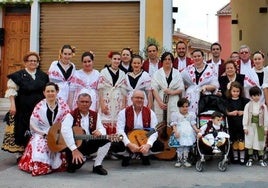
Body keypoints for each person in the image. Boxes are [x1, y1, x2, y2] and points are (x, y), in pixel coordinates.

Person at [18, 82, 69, 176]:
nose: (50, 93)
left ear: (57, 91)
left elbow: (67, 121)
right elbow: (33, 124)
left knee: (59, 143)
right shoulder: (39, 106)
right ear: (44, 93)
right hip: (42, 132)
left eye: (52, 91)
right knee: (40, 143)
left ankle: (55, 164)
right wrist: (44, 134)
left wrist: (59, 132)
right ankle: (42, 165)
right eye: (48, 91)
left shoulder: (63, 105)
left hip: (58, 132)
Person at [4, 51, 49, 160]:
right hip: (22, 107)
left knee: (36, 129)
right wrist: (12, 105)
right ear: (25, 62)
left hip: (38, 108)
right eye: (30, 61)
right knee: (21, 129)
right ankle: (20, 153)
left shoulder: (43, 76)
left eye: (35, 61)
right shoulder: (18, 75)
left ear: (38, 63)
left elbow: (47, 91)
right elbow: (11, 90)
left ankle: (34, 150)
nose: (33, 63)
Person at [61, 90, 111, 175]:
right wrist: (74, 149)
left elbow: (102, 128)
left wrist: (100, 132)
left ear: (91, 103)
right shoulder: (71, 115)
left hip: (88, 143)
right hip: (74, 146)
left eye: (87, 102)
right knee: (73, 168)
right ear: (77, 103)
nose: (84, 104)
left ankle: (97, 165)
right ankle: (81, 159)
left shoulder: (95, 115)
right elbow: (65, 131)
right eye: (82, 102)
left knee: (106, 140)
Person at [111, 90, 164, 166]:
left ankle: (145, 154)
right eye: (137, 98)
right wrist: (129, 144)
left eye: (141, 98)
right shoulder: (123, 112)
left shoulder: (150, 112)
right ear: (132, 99)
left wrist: (148, 145)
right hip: (129, 140)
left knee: (160, 146)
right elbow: (120, 131)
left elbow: (154, 130)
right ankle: (127, 155)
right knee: (115, 146)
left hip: (144, 139)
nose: (139, 100)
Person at [181, 49, 219, 114]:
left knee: (204, 119)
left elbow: (215, 85)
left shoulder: (211, 68)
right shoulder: (188, 69)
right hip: (190, 98)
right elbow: (180, 80)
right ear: (192, 58)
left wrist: (206, 87)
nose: (197, 58)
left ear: (203, 57)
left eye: (199, 56)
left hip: (205, 98)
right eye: (195, 56)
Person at [98, 51, 126, 135]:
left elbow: (124, 91)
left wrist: (123, 105)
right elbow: (100, 90)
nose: (116, 61)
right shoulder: (103, 72)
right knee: (105, 120)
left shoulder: (122, 73)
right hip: (106, 99)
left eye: (118, 59)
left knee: (118, 122)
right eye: (114, 59)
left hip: (118, 101)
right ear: (110, 60)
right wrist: (102, 105)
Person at [151, 52, 184, 123]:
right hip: (160, 100)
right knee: (159, 122)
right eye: (165, 59)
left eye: (169, 59)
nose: (167, 61)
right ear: (162, 61)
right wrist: (160, 102)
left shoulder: (177, 73)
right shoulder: (157, 74)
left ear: (172, 61)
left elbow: (181, 88)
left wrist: (172, 92)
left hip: (173, 99)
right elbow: (154, 89)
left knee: (173, 121)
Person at [169, 98, 199, 168]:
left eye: (186, 106)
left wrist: (196, 129)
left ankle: (185, 160)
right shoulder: (176, 115)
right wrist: (175, 131)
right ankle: (179, 160)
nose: (185, 108)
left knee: (186, 147)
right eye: (183, 107)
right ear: (179, 107)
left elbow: (193, 124)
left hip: (188, 133)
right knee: (180, 147)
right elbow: (174, 124)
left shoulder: (191, 115)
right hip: (180, 133)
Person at [243, 86, 268, 167]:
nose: (256, 97)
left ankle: (261, 159)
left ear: (260, 95)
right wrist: (245, 127)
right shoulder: (248, 105)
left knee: (260, 142)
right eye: (254, 95)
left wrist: (266, 128)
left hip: (260, 126)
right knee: (250, 142)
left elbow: (266, 118)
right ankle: (250, 158)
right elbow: (245, 117)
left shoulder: (263, 106)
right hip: (250, 126)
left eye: (258, 95)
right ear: (251, 96)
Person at [226, 81, 249, 164]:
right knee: (234, 142)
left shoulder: (244, 100)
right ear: (230, 91)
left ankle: (242, 158)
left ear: (240, 91)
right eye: (234, 91)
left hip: (241, 125)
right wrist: (230, 113)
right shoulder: (227, 101)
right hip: (232, 125)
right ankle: (235, 157)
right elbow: (225, 111)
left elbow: (249, 109)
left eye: (237, 91)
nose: (235, 93)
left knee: (241, 142)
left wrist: (243, 112)